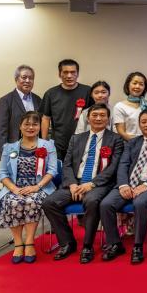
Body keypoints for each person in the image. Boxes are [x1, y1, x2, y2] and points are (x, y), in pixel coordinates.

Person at [42, 103, 124, 263]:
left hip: (99, 184)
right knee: (49, 203)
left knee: (91, 200)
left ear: (108, 119)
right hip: (75, 183)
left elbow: (113, 167)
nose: (98, 118)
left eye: (102, 115)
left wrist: (91, 184)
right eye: (95, 115)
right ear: (88, 118)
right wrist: (72, 184)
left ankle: (87, 246)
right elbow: (67, 164)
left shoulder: (116, 139)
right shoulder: (76, 138)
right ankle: (67, 242)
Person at [99, 109, 147, 264]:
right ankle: (115, 244)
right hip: (129, 183)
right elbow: (123, 164)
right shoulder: (132, 142)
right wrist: (123, 185)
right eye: (143, 122)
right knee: (106, 204)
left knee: (140, 202)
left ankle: (138, 246)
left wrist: (146, 185)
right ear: (139, 124)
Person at [0, 112, 56, 264]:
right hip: (15, 187)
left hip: (40, 187)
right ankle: (18, 243)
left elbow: (52, 170)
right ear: (20, 126)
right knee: (12, 201)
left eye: (34, 124)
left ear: (39, 127)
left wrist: (36, 187)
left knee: (31, 201)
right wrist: (13, 188)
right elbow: (2, 173)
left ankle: (29, 242)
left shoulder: (48, 145)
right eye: (27, 124)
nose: (30, 127)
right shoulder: (9, 147)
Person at [40, 59, 92, 159]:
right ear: (60, 74)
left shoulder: (88, 91)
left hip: (82, 143)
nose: (69, 76)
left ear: (77, 74)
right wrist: (44, 142)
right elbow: (45, 118)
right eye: (65, 72)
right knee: (58, 169)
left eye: (73, 72)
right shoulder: (51, 93)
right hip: (58, 145)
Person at [0, 65, 42, 160]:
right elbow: (1, 131)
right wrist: (4, 156)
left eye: (31, 78)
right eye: (24, 77)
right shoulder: (6, 100)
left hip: (36, 150)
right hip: (14, 151)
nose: (27, 81)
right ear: (16, 79)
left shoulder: (38, 100)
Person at [114, 72, 147, 141]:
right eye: (134, 83)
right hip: (129, 144)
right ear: (128, 85)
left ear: (144, 87)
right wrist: (139, 143)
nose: (137, 86)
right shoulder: (119, 106)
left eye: (141, 84)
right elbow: (121, 132)